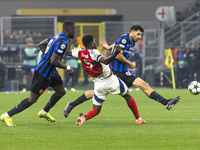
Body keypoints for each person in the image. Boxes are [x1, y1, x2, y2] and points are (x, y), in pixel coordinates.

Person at [64, 25, 180, 118]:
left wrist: (108, 47)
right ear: (132, 32)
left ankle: (72, 104)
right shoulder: (125, 39)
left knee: (95, 93)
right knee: (142, 86)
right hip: (117, 71)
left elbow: (116, 45)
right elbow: (118, 55)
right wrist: (130, 63)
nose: (139, 36)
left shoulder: (129, 41)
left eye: (141, 34)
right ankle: (162, 104)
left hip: (118, 72)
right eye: (138, 34)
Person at [0, 20, 75, 126]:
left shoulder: (57, 37)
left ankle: (44, 112)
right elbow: (53, 61)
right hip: (43, 73)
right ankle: (7, 115)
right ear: (70, 29)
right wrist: (68, 67)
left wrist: (48, 55)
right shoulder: (61, 41)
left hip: (52, 72)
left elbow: (41, 44)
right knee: (32, 99)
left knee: (61, 91)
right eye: (74, 29)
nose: (75, 31)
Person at [65, 35, 146, 125]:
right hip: (110, 80)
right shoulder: (94, 52)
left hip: (98, 84)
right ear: (91, 44)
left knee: (96, 109)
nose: (95, 43)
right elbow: (105, 61)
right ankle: (138, 118)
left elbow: (68, 52)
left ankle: (84, 117)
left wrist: (68, 40)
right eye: (94, 42)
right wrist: (115, 54)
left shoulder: (80, 51)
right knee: (127, 95)